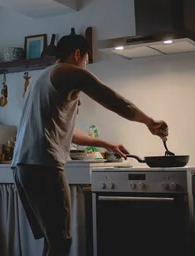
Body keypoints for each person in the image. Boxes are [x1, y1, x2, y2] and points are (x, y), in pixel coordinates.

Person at [11, 33, 169, 256]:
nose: (85, 65)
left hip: (24, 166)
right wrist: (149, 122)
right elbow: (114, 100)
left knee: (53, 239)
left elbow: (64, 130)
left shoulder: (43, 77)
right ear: (78, 54)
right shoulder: (70, 72)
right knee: (61, 241)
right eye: (86, 59)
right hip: (42, 165)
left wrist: (104, 143)